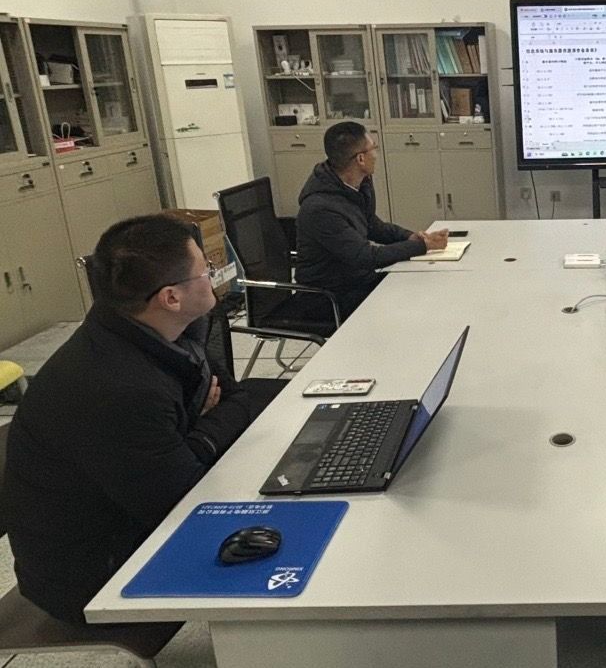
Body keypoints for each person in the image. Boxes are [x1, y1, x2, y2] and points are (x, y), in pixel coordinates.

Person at [2, 215, 274, 623]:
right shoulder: (119, 388)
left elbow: (236, 397)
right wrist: (196, 431)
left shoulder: (164, 331)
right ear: (170, 297)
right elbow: (186, 506)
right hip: (90, 574)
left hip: (131, 509)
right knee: (278, 525)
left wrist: (189, 436)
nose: (213, 276)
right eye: (205, 270)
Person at [296, 121, 448, 319]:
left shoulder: (356, 185)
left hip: (356, 281)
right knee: (414, 303)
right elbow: (366, 257)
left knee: (423, 286)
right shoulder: (321, 208)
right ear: (361, 158)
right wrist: (422, 246)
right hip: (329, 298)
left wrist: (411, 237)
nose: (376, 154)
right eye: (374, 148)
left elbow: (372, 225)